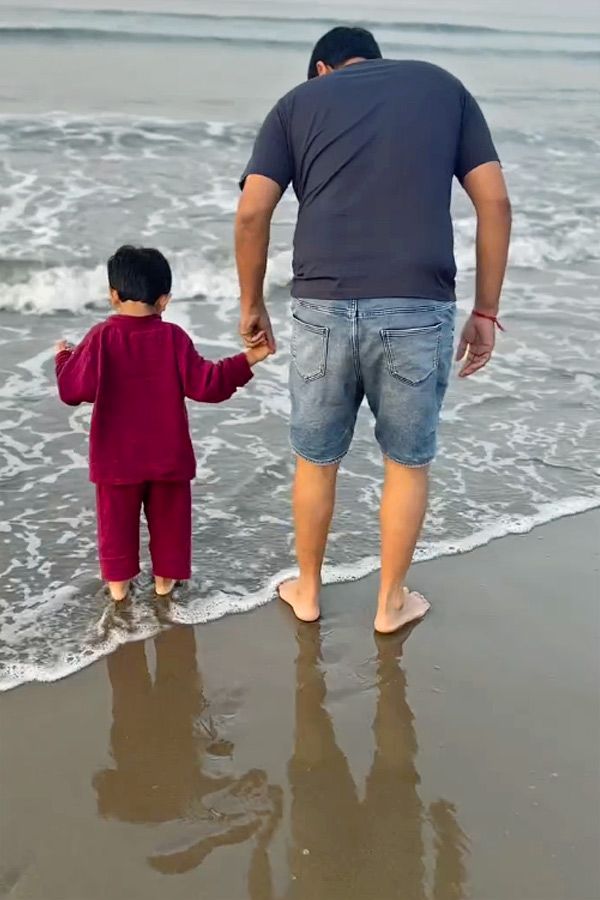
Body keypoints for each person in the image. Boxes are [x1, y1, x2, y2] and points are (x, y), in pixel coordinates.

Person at [236, 26, 511, 632]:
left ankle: (307, 592)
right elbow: (493, 202)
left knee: (316, 460)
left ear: (321, 71)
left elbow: (254, 210)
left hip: (322, 308)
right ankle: (390, 604)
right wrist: (486, 312)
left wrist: (251, 303)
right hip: (416, 307)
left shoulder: (296, 104)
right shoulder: (444, 89)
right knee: (407, 464)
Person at [55, 245, 271, 601]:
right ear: (165, 299)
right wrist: (252, 356)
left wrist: (64, 356)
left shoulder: (101, 337)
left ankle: (119, 592)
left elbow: (72, 389)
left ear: (113, 295)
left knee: (116, 531)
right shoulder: (173, 338)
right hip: (168, 457)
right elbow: (209, 384)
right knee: (171, 530)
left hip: (116, 460)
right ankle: (164, 585)